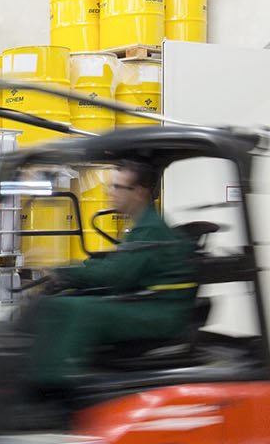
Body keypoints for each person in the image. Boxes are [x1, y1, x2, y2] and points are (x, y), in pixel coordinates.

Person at [29, 159, 197, 389]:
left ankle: (51, 389)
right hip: (150, 303)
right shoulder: (143, 225)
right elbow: (120, 265)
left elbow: (116, 276)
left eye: (117, 187)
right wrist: (78, 271)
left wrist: (67, 273)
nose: (110, 192)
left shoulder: (149, 228)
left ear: (138, 192)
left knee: (75, 309)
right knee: (69, 300)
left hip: (160, 311)